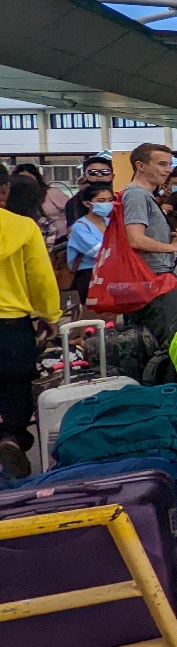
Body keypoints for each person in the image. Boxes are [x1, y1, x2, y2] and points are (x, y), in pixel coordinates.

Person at [0, 169, 61, 478]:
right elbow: (40, 277)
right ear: (5, 191)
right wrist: (51, 316)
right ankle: (10, 438)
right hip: (11, 325)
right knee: (15, 384)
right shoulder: (22, 227)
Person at [120, 143, 177, 346]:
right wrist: (173, 247)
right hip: (154, 279)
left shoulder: (145, 195)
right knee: (172, 341)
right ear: (140, 165)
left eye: (169, 164)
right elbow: (136, 239)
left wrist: (170, 236)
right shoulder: (136, 194)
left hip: (154, 278)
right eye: (161, 164)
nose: (168, 169)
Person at [66, 182, 114, 305]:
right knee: (93, 314)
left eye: (110, 200)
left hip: (111, 273)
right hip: (89, 275)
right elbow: (97, 251)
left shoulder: (111, 223)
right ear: (88, 203)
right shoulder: (80, 227)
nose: (107, 204)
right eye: (101, 200)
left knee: (111, 313)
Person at [13, 163, 68, 241]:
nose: (26, 182)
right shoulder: (14, 199)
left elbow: (72, 208)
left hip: (59, 239)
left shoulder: (51, 192)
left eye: (29, 179)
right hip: (34, 240)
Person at [65, 152, 116, 226]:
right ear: (84, 176)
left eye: (105, 172)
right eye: (93, 172)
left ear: (113, 176)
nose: (99, 175)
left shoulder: (122, 198)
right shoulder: (74, 202)